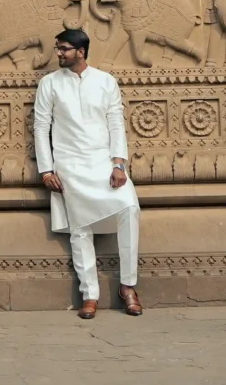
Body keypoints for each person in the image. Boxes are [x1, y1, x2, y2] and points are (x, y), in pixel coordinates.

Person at [33, 26, 141, 317]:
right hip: (70, 165)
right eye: (58, 48)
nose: (58, 53)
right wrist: (46, 171)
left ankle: (128, 286)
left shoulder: (105, 81)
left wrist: (119, 164)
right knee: (80, 230)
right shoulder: (50, 84)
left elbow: (116, 123)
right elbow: (41, 127)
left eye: (64, 49)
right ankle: (89, 295)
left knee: (129, 209)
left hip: (103, 162)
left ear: (80, 52)